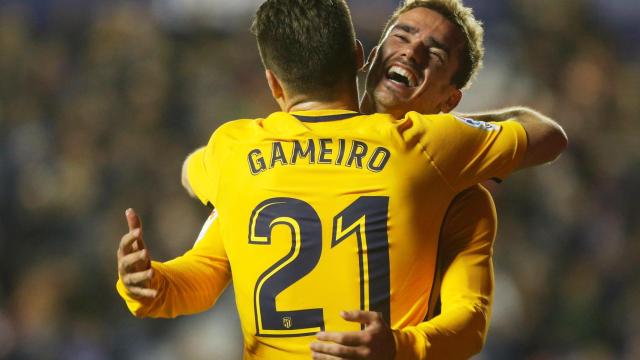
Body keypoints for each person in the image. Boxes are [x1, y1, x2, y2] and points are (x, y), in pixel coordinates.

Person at [116, 0, 567, 359]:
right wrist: (152, 285)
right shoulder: (257, 161)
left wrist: (397, 346)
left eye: (434, 52)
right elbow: (206, 272)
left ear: (450, 100)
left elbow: (469, 322)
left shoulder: (244, 152)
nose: (411, 51)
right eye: (403, 36)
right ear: (366, 57)